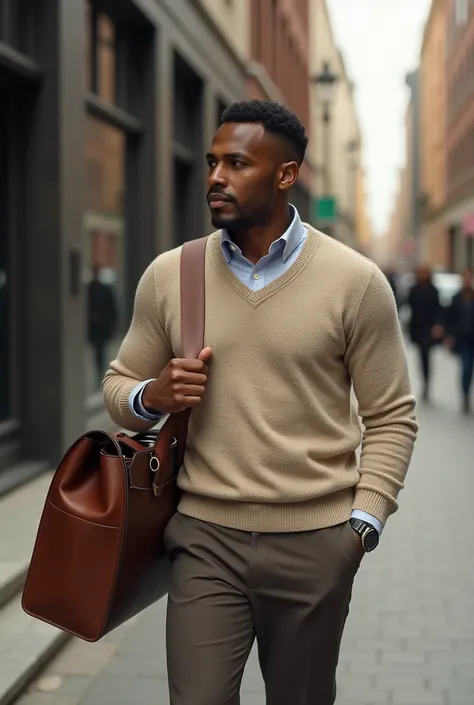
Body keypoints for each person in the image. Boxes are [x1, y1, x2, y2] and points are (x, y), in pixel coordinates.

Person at [103, 100, 418, 705]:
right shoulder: (171, 275)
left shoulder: (355, 282)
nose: (217, 177)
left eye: (238, 163)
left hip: (316, 541)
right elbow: (119, 389)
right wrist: (153, 395)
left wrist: (362, 527)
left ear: (285, 174)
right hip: (203, 540)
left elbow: (391, 415)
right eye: (213, 162)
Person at [407, 265, 444, 402]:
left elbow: (439, 310)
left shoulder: (433, 290)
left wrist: (438, 325)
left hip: (429, 329)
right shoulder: (414, 289)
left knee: (426, 356)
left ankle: (427, 381)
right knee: (421, 356)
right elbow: (409, 306)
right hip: (417, 328)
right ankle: (424, 379)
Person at [445, 269, 474, 414]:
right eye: (466, 278)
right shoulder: (456, 298)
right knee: (466, 367)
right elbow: (449, 319)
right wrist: (449, 336)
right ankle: (465, 395)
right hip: (463, 340)